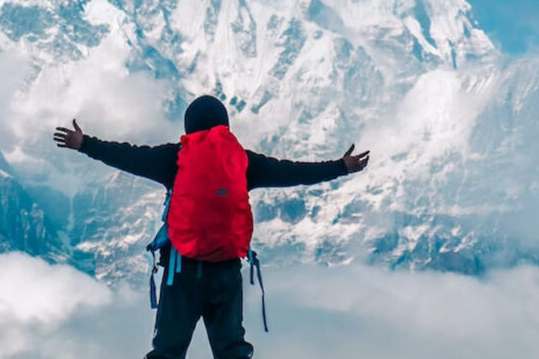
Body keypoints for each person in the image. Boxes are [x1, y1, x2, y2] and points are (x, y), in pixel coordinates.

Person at [53, 95, 369, 359]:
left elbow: (128, 156)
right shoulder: (243, 161)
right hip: (226, 270)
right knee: (231, 350)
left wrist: (85, 144)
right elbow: (290, 172)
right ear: (225, 126)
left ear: (189, 126)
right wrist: (340, 167)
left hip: (182, 270)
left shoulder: (173, 158)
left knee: (167, 351)